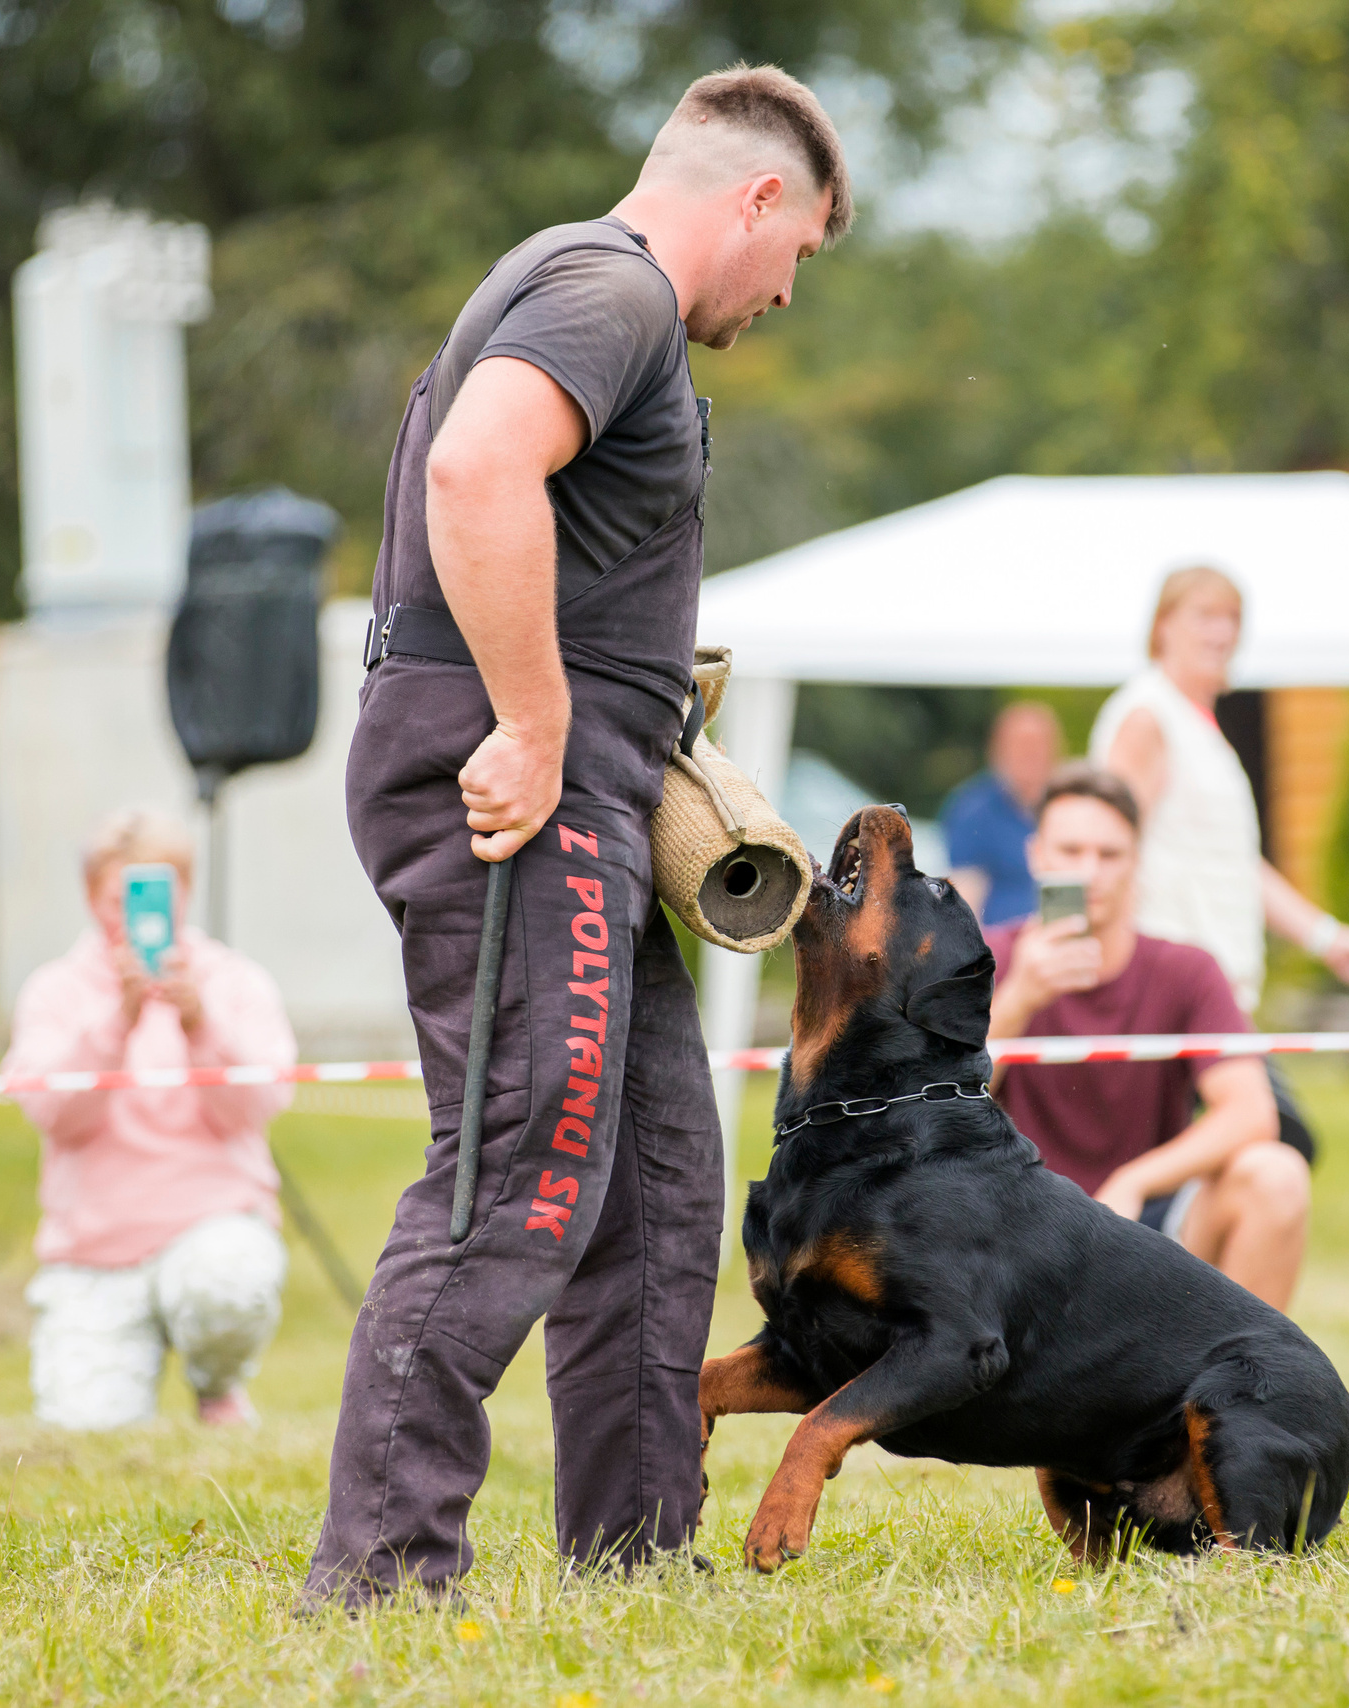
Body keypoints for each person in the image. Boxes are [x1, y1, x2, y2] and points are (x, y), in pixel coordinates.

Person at [306, 66, 851, 1605]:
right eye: (798, 249)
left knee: (662, 1177)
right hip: (519, 786)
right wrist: (539, 723)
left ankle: (634, 1550)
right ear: (752, 197)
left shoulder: (583, 293)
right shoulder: (608, 289)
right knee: (520, 1169)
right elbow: (482, 469)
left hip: (593, 799)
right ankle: (385, 1571)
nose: (788, 288)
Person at [3, 809, 298, 1429]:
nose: (134, 915)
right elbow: (55, 1115)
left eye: (160, 892)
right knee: (87, 1429)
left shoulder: (232, 982)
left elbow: (257, 1109)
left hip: (212, 1223)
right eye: (120, 898)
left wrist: (201, 1025)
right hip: (95, 1250)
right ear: (91, 898)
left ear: (184, 893)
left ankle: (217, 1387)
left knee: (229, 1281)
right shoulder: (54, 992)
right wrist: (117, 1022)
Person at [1094, 565, 1349, 1160]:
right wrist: (1114, 979)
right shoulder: (1149, 718)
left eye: (1232, 618)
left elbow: (1236, 864)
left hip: (1218, 990)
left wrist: (1326, 936)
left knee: (1248, 1155)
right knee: (1274, 1142)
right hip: (1172, 992)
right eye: (1204, 616)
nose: (1222, 632)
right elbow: (1108, 851)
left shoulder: (1200, 727)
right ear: (1163, 628)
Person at [986, 767, 1303, 1308]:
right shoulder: (982, 959)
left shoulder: (1186, 970)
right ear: (1038, 855)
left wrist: (1134, 1182)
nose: (1090, 871)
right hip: (1013, 1224)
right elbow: (932, 1103)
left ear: (1137, 861)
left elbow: (1251, 1113)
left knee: (1277, 1175)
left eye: (1110, 855)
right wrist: (1018, 1000)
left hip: (1147, 1222)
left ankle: (1246, 1386)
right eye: (1071, 850)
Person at [941, 701, 1060, 923]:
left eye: (1038, 743)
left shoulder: (1068, 806)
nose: (1031, 753)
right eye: (1021, 744)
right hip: (1001, 946)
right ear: (998, 749)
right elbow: (965, 898)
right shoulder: (973, 810)